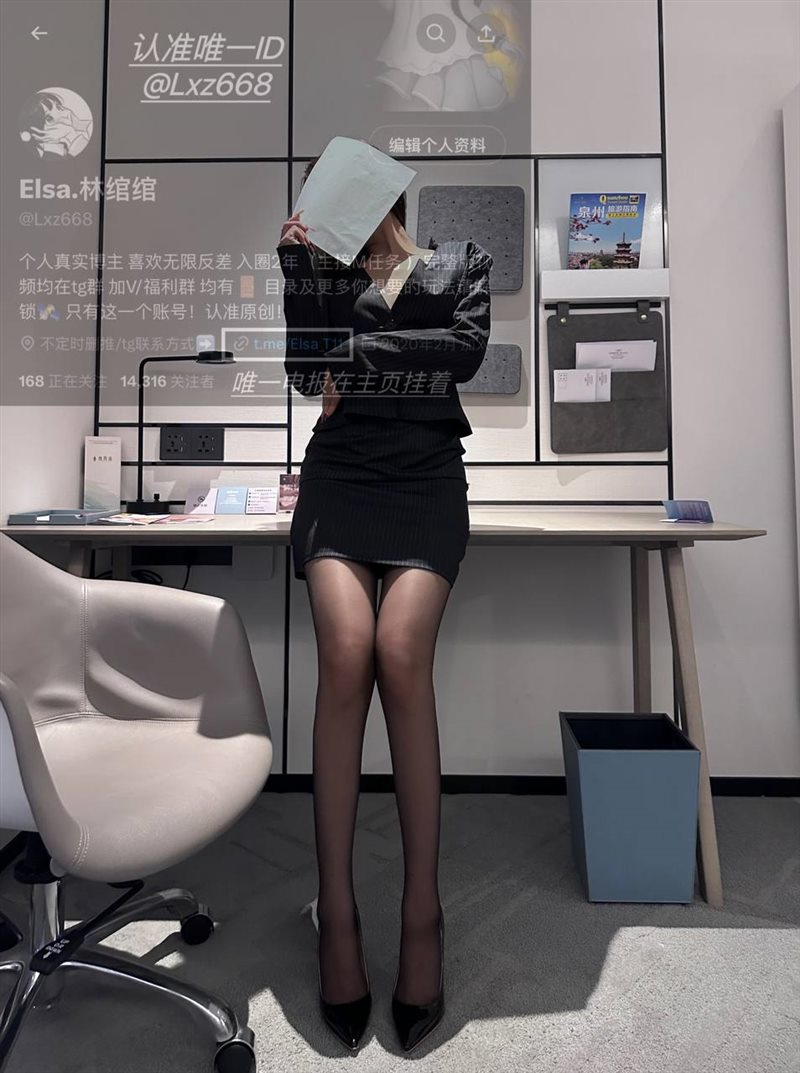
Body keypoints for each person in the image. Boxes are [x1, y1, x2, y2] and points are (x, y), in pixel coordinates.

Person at [277, 150, 492, 1054]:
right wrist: (297, 272)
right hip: (341, 480)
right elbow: (305, 373)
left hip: (427, 482)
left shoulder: (460, 262)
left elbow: (463, 353)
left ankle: (420, 915)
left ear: (384, 196)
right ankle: (338, 916)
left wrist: (352, 356)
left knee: (401, 653)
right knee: (346, 653)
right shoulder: (323, 275)